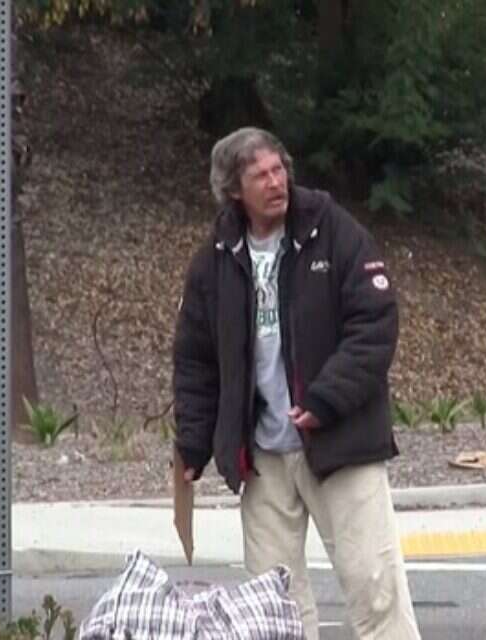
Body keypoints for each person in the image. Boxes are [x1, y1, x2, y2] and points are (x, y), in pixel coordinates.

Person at [172, 127, 421, 639]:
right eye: (260, 175)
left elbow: (375, 325)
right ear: (234, 190)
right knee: (272, 607)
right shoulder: (216, 259)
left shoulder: (333, 231)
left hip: (340, 444)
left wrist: (325, 400)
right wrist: (194, 444)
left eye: (278, 169)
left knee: (375, 589)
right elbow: (196, 362)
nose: (275, 182)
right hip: (262, 456)